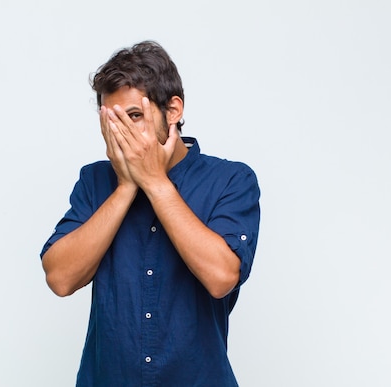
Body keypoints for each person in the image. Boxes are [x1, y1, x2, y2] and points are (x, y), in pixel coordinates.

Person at [40, 40, 260, 386]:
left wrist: (156, 183)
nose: (124, 133)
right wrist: (126, 186)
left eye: (135, 116)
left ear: (173, 111)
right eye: (113, 122)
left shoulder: (231, 180)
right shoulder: (95, 180)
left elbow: (221, 277)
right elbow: (60, 278)